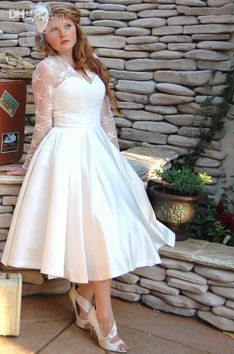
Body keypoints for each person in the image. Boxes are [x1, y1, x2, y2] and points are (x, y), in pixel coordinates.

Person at [0, 3, 175, 353]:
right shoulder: (46, 70)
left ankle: (82, 296)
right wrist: (29, 162)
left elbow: (106, 119)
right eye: (54, 29)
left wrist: (118, 161)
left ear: (76, 29)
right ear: (44, 38)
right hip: (65, 153)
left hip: (98, 153)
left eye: (67, 26)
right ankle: (103, 318)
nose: (63, 33)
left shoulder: (92, 66)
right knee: (98, 232)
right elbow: (45, 122)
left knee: (113, 229)